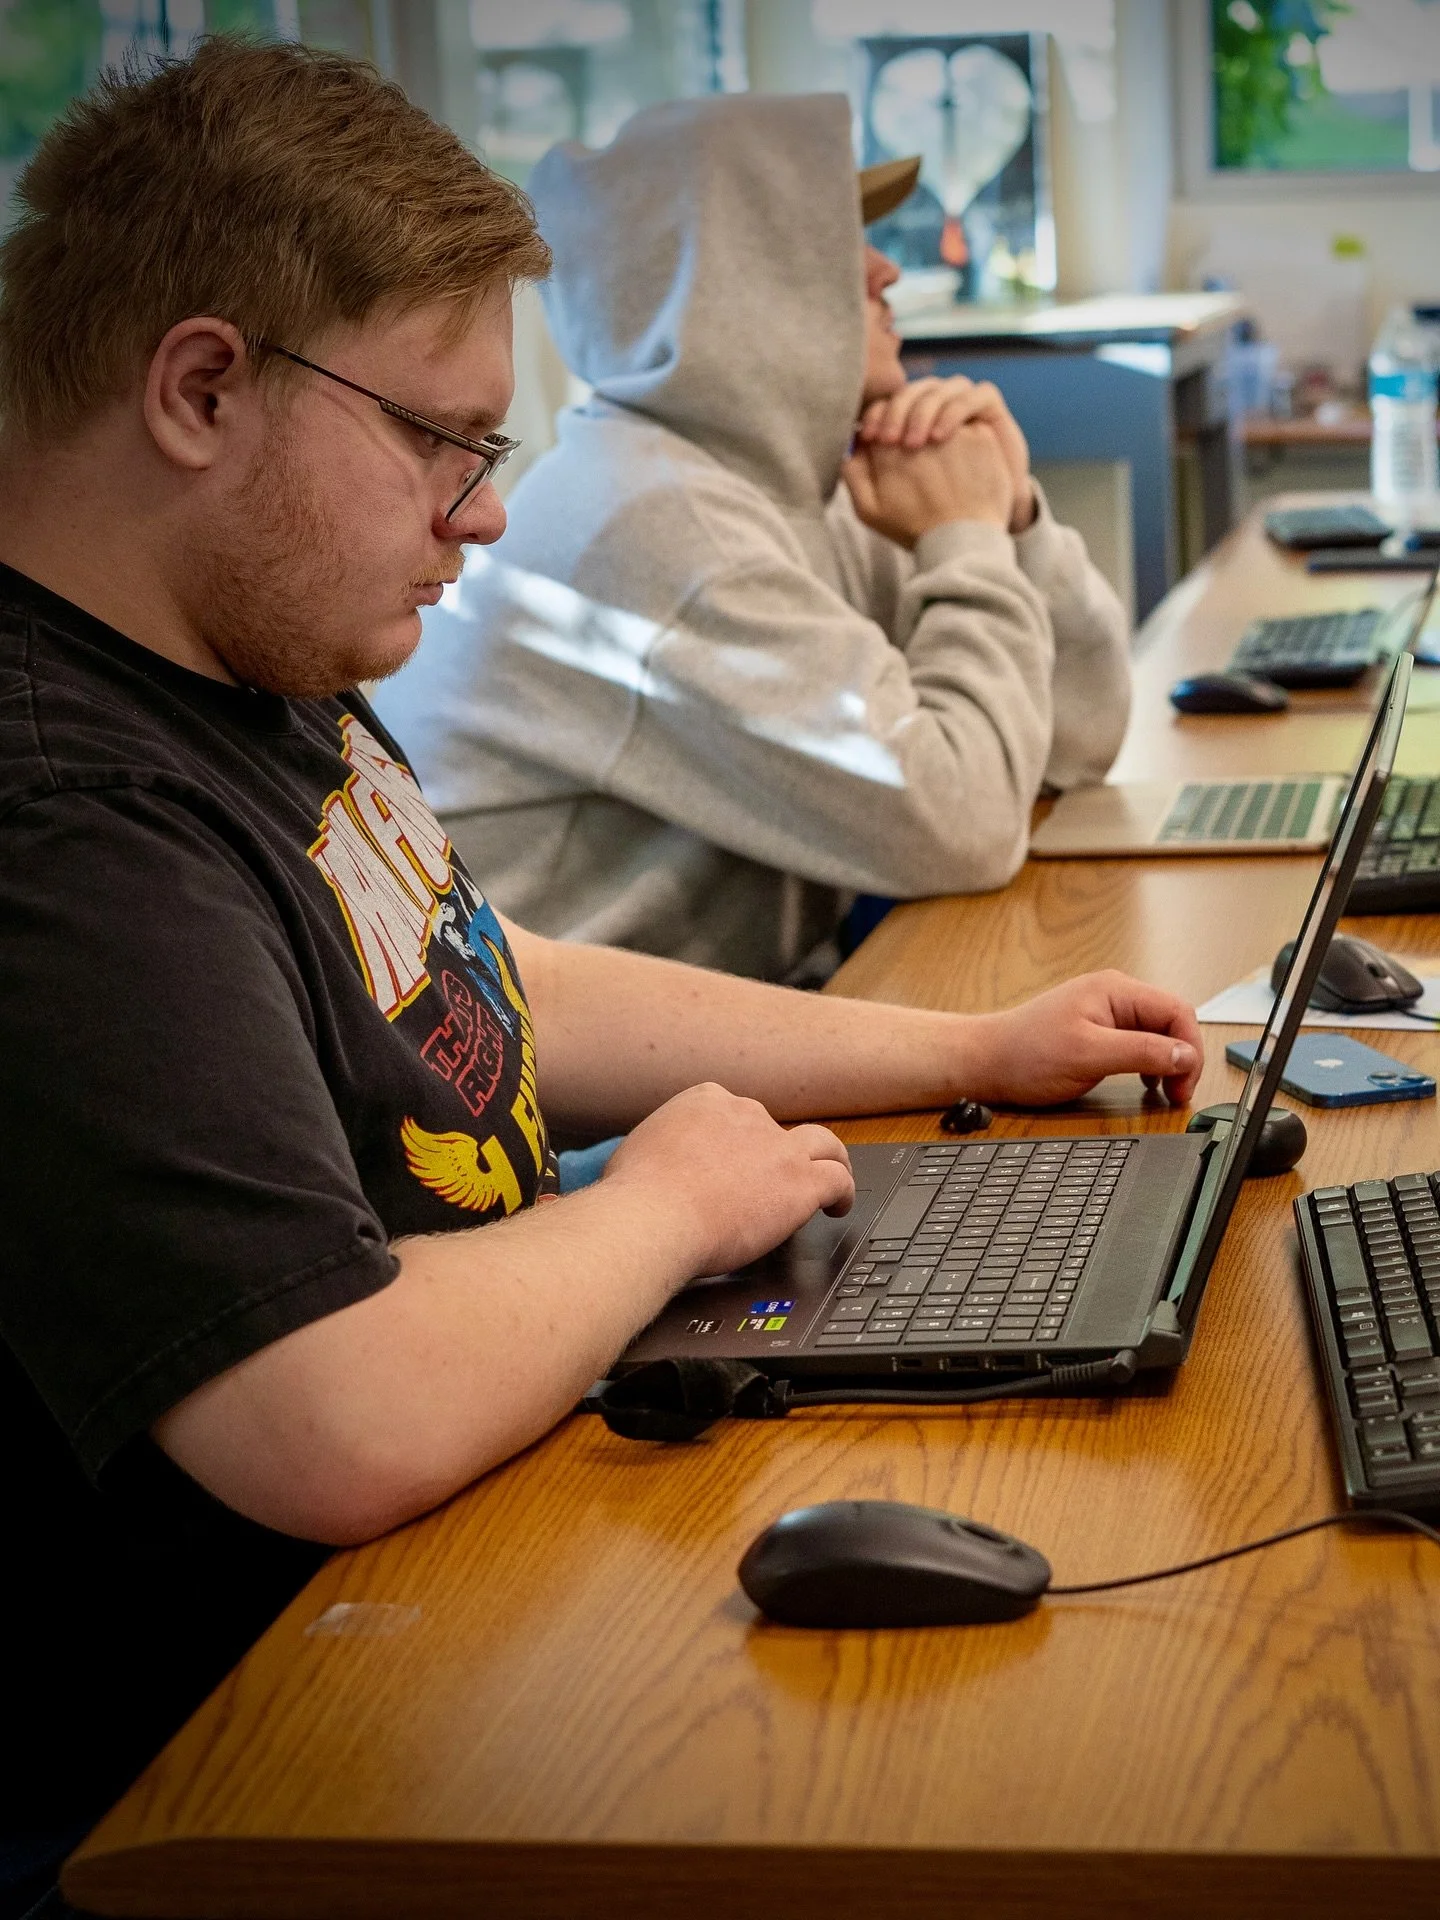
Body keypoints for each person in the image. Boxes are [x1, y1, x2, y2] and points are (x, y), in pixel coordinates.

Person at [0, 42, 1199, 1912]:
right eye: (439, 440)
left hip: (461, 1533)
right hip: (226, 1764)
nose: (485, 511)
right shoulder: (63, 806)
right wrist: (661, 1212)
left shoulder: (247, 659)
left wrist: (970, 1042)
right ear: (203, 388)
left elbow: (491, 983)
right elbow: (329, 1414)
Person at [372, 92, 1131, 982]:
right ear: (747, 282)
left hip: (723, 1052)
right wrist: (965, 536)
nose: (886, 272)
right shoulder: (655, 523)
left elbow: (1077, 741)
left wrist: (1012, 518)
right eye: (837, 240)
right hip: (575, 1113)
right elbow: (967, 828)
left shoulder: (794, 484)